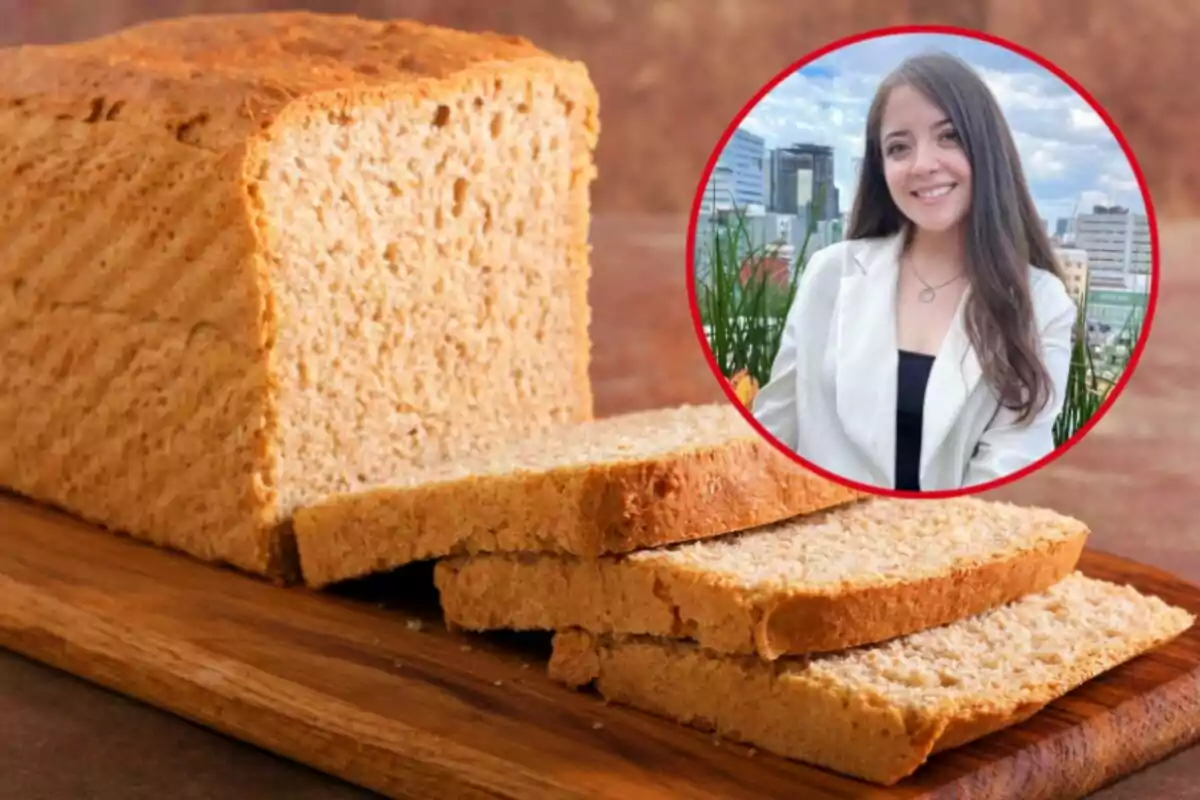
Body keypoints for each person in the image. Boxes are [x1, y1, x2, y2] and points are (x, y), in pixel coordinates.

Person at [751, 51, 1078, 492]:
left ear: (987, 149)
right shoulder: (830, 273)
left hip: (960, 552)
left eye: (949, 137)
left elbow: (1011, 469)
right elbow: (773, 432)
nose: (923, 164)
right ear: (880, 167)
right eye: (898, 147)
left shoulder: (1041, 302)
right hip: (815, 548)